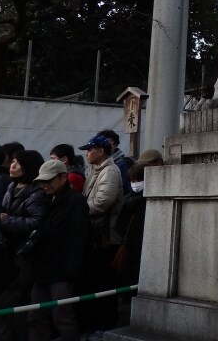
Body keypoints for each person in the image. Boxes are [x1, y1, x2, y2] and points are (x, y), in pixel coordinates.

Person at [26, 160, 89, 341]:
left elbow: (79, 239)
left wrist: (70, 271)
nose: (45, 185)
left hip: (62, 271)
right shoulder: (44, 199)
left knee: (62, 316)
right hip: (42, 268)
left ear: (63, 177)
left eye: (49, 181)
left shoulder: (75, 201)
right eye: (42, 181)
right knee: (35, 315)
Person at [0, 150, 48, 341]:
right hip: (6, 253)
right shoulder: (11, 186)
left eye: (18, 162)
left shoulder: (36, 192)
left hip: (24, 255)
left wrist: (7, 221)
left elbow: (37, 223)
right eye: (13, 161)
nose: (12, 165)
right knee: (3, 302)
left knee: (13, 302)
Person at [77, 135, 124, 337]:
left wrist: (78, 210)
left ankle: (106, 323)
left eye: (90, 149)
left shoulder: (110, 171)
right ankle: (96, 321)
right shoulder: (94, 170)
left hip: (105, 236)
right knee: (94, 280)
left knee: (104, 282)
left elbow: (102, 202)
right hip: (95, 234)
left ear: (101, 151)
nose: (87, 153)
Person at [113, 164, 147, 285]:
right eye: (133, 181)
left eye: (139, 180)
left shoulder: (148, 200)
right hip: (130, 243)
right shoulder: (128, 200)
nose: (135, 184)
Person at [96, 129, 132, 195]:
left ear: (115, 144)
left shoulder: (122, 164)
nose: (104, 146)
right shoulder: (96, 164)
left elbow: (125, 190)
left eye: (108, 142)